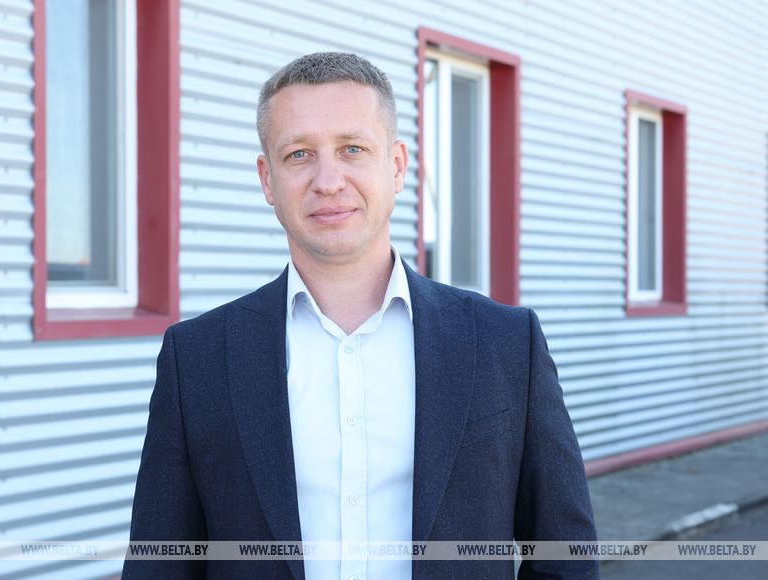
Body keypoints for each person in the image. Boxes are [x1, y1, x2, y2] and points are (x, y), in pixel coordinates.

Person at [123, 52, 599, 580]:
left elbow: (565, 557)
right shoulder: (198, 358)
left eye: (352, 148)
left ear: (396, 166)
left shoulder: (505, 343)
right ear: (267, 180)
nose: (328, 180)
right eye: (299, 154)